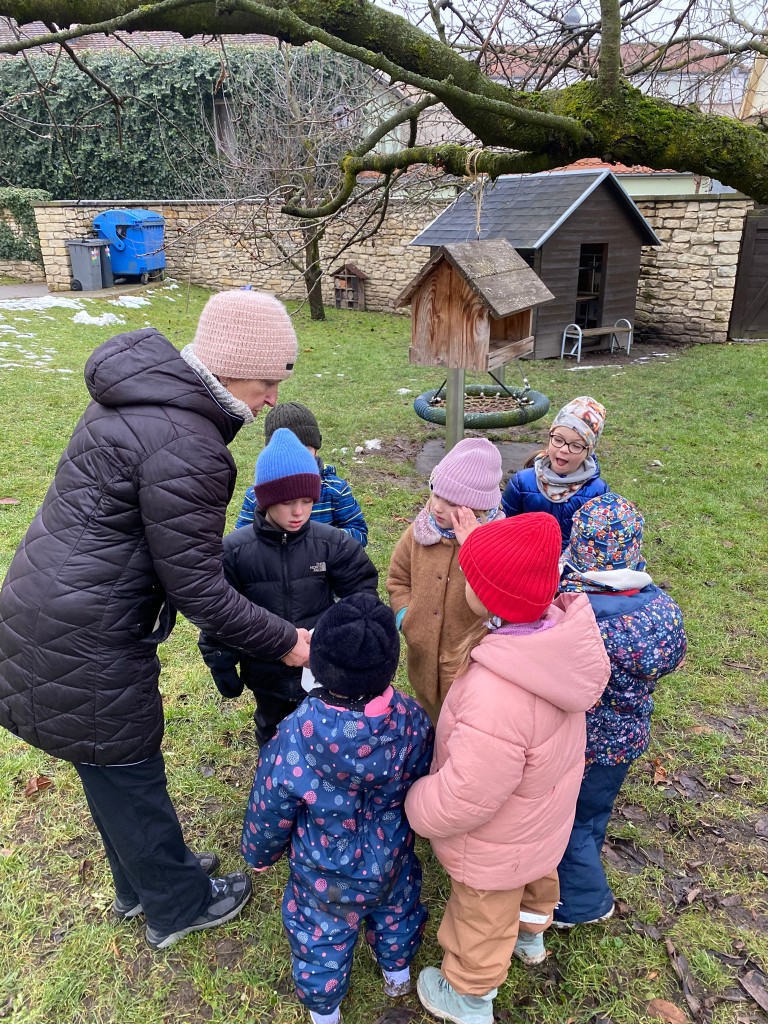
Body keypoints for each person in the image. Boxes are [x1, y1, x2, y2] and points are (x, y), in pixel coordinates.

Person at [0, 288, 313, 952]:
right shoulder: (190, 445)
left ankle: (140, 883)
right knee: (129, 764)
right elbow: (198, 587)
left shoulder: (138, 398)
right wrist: (286, 640)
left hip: (45, 601)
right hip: (86, 630)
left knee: (106, 765)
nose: (270, 400)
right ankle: (176, 904)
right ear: (230, 367)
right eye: (266, 383)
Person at [404, 513, 611, 1024]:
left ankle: (468, 997)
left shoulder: (496, 693)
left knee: (481, 913)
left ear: (487, 597)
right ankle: (531, 935)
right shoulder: (555, 646)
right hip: (543, 819)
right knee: (537, 875)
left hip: (495, 840)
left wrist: (419, 804)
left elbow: (468, 793)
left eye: (471, 578)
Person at [241, 593, 434, 1024]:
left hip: (323, 873)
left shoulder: (296, 733)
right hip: (392, 855)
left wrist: (259, 853)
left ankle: (325, 1011)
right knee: (397, 910)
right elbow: (425, 772)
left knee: (320, 937)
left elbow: (271, 801)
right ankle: (397, 973)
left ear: (321, 665)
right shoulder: (412, 718)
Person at [546, 492, 687, 931]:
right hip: (627, 737)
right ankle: (583, 868)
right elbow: (674, 659)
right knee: (593, 812)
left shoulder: (576, 613)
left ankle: (581, 903)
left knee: (567, 821)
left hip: (582, 741)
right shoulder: (662, 608)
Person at [199, 427, 378, 746]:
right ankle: (273, 770)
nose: (299, 512)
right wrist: (221, 662)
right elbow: (218, 613)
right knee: (272, 732)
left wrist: (346, 642)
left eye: (307, 501)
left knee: (324, 734)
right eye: (287, 502)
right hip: (265, 673)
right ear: (266, 499)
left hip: (321, 671)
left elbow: (362, 595)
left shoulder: (331, 543)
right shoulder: (235, 552)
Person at [386, 437, 503, 723]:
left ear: (476, 508)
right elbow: (398, 577)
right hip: (424, 659)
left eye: (450, 502)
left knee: (461, 727)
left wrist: (474, 546)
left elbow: (497, 600)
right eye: (436, 494)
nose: (437, 507)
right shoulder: (420, 532)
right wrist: (406, 617)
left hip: (468, 667)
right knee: (430, 717)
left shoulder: (498, 544)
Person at [235, 402, 369, 546]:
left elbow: (359, 533)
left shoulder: (335, 489)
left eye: (305, 449)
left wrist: (322, 542)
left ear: (316, 449)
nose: (297, 457)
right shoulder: (257, 496)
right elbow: (242, 541)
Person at [501, 396, 610, 550]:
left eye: (576, 446)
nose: (564, 449)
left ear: (588, 452)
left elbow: (598, 542)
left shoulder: (597, 491)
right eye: (558, 440)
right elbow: (504, 529)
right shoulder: (522, 482)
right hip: (526, 562)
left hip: (570, 564)